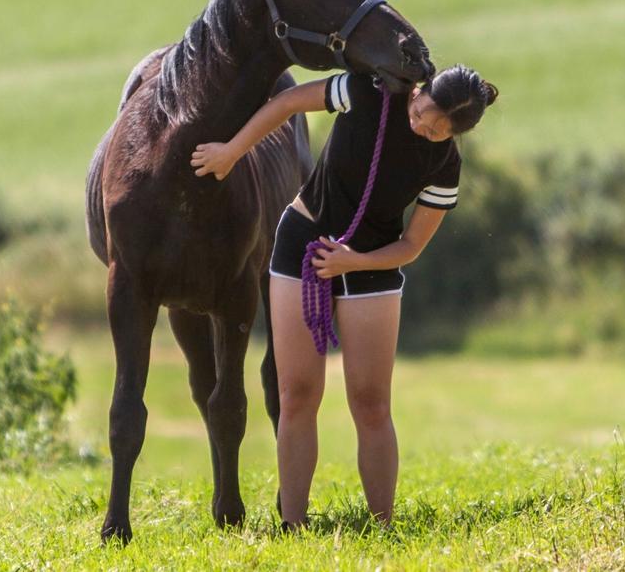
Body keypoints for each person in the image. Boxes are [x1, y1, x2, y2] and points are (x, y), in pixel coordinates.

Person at [190, 64, 498, 530]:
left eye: (437, 131)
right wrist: (232, 152)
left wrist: (353, 262)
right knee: (297, 396)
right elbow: (288, 103)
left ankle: (383, 526)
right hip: (302, 244)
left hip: (371, 264)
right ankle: (293, 526)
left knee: (371, 402)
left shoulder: (444, 165)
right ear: (419, 91)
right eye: (421, 113)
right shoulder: (365, 91)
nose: (421, 128)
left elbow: (411, 246)